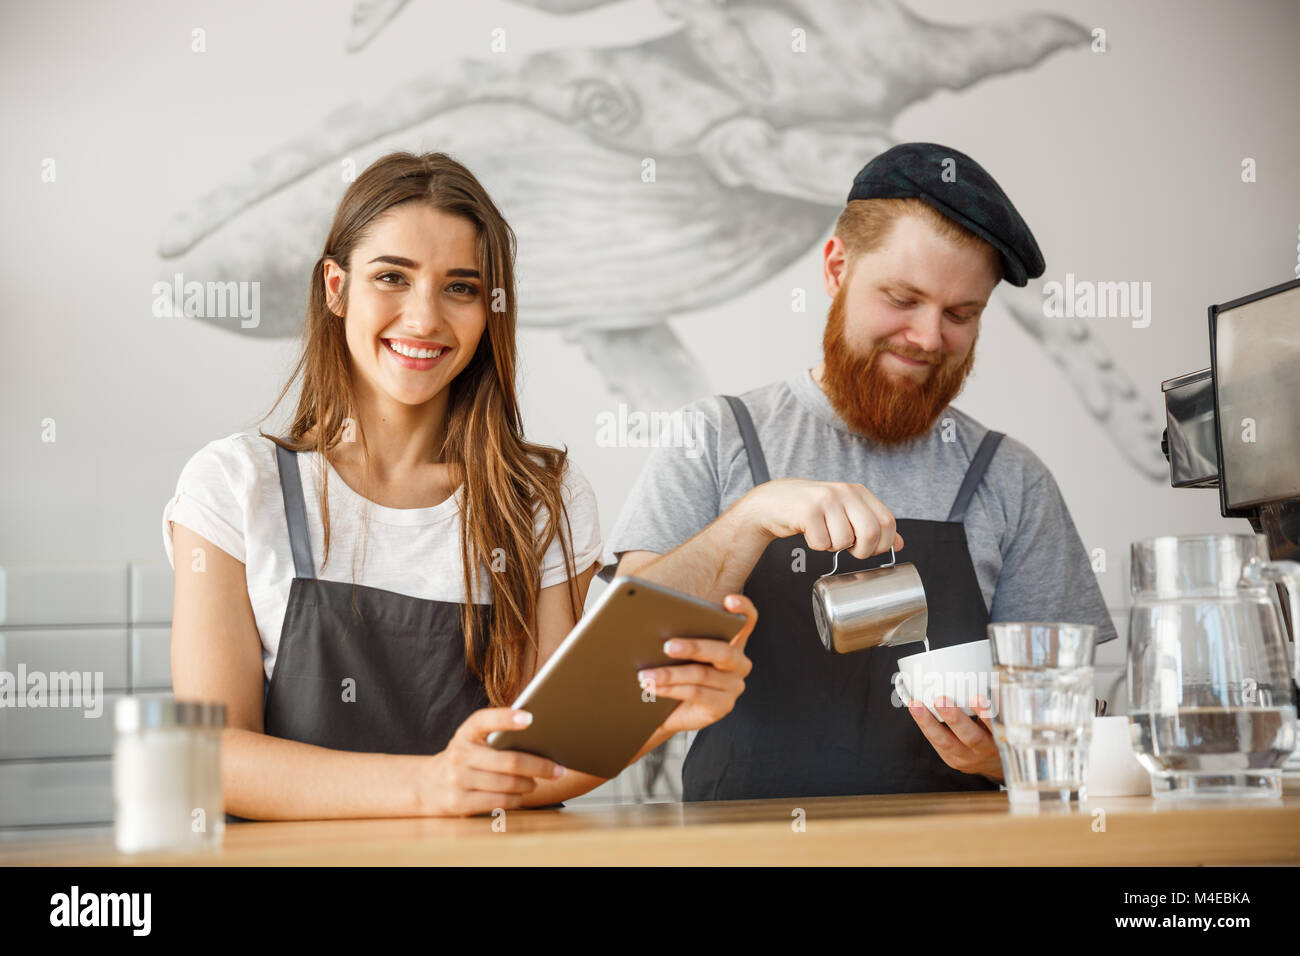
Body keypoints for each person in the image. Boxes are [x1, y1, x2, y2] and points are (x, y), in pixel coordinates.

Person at [162, 151, 756, 820]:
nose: (424, 319)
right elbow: (212, 756)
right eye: (392, 277)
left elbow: (551, 751)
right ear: (335, 287)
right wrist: (429, 788)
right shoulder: (236, 485)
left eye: (461, 287)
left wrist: (655, 713)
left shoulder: (539, 498)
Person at [600, 142, 1117, 801]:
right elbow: (619, 662)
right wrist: (755, 515)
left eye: (961, 315)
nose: (930, 338)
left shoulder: (1011, 480)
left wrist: (1005, 759)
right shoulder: (717, 437)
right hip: (737, 852)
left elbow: (1072, 730)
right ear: (836, 268)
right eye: (903, 298)